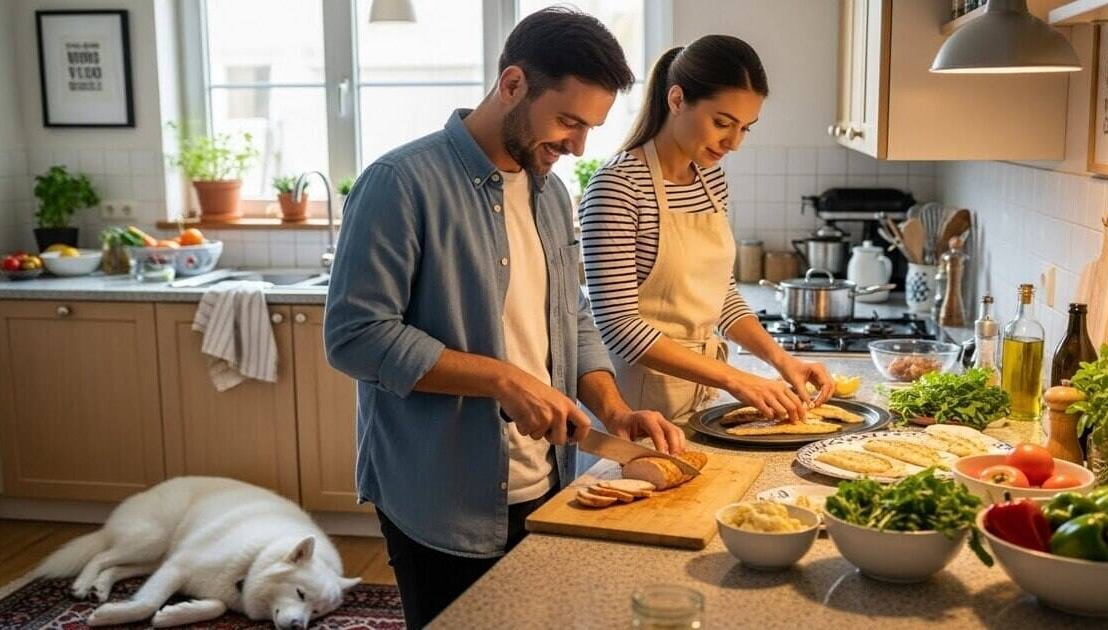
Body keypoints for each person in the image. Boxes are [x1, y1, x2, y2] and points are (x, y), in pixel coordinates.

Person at [323, 8, 685, 628]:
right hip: (441, 498)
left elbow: (571, 317)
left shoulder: (552, 194)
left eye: (590, 127)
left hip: (545, 478)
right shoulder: (399, 182)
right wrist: (502, 379)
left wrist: (615, 410)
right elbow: (355, 337)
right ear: (512, 84)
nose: (577, 146)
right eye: (568, 120)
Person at [579, 36, 834, 425]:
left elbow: (722, 296)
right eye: (722, 123)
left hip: (701, 401)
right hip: (635, 410)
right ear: (677, 100)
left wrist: (782, 360)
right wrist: (738, 379)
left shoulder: (709, 181)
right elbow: (618, 326)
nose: (733, 143)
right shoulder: (617, 186)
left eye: (746, 128)